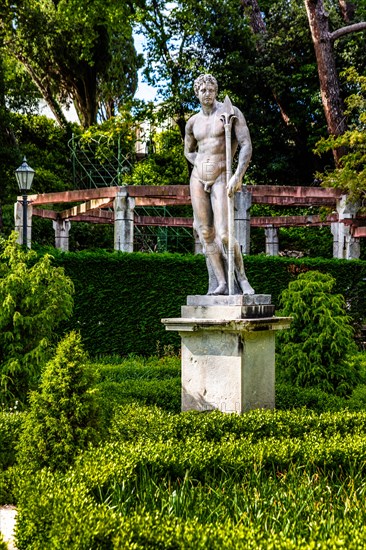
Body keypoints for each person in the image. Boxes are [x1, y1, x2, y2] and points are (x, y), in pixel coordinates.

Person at [184, 74, 254, 295]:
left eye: (211, 90)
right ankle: (221, 282)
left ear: (216, 91)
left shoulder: (229, 113)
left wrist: (239, 175)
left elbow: (246, 145)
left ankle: (241, 278)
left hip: (222, 176)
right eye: (202, 90)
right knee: (205, 232)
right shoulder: (192, 122)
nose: (207, 94)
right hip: (198, 178)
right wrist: (201, 164)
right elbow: (188, 151)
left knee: (224, 233)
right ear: (197, 93)